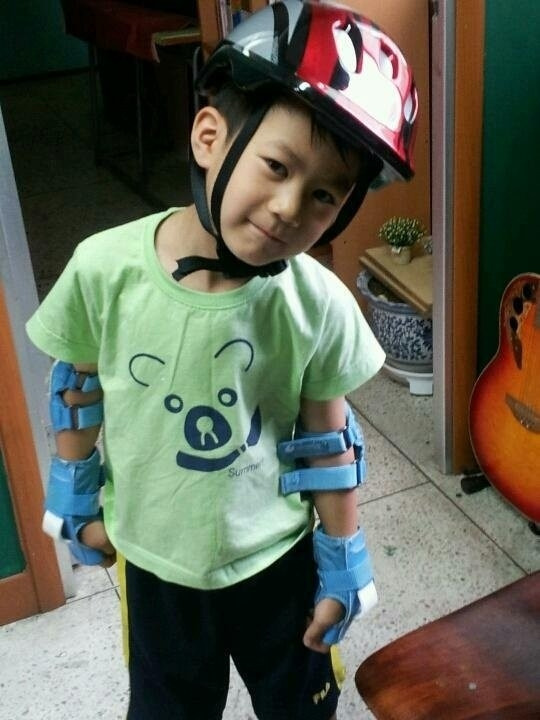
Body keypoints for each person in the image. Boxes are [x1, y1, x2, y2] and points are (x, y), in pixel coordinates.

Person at [26, 2, 417, 718]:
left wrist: (342, 559)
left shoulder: (317, 304)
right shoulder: (103, 270)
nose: (289, 207)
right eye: (276, 166)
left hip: (278, 561)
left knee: (302, 708)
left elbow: (328, 444)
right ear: (210, 136)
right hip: (157, 565)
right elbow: (77, 391)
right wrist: (76, 499)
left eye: (323, 194)